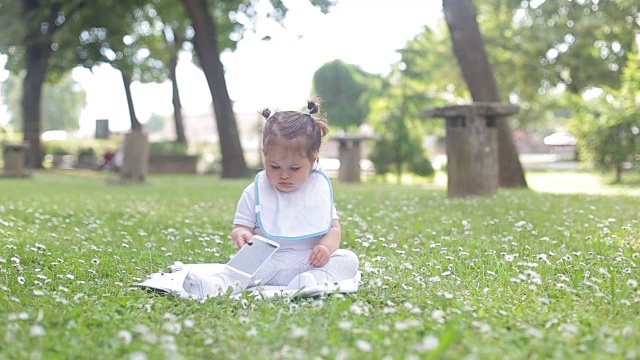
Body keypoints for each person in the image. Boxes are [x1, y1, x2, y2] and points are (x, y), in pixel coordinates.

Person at [183, 99, 360, 298]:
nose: (284, 175)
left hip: (308, 261)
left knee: (348, 259)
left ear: (313, 160)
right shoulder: (254, 192)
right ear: (264, 156)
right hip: (266, 260)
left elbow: (334, 229)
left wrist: (325, 248)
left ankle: (310, 281)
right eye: (275, 167)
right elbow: (241, 228)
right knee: (239, 269)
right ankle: (216, 285)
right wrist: (241, 235)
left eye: (294, 168)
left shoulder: (317, 191)